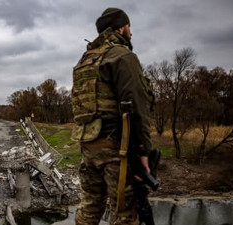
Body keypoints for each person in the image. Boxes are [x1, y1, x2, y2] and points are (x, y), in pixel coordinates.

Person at [71, 8, 155, 225]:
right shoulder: (123, 56)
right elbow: (138, 105)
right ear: (120, 28)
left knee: (89, 206)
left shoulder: (85, 61)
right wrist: (144, 151)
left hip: (88, 147)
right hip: (117, 147)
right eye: (129, 27)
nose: (131, 33)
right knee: (124, 211)